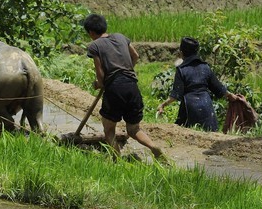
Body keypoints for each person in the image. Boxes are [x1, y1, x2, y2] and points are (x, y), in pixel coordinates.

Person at [81, 13, 166, 162]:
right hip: (132, 86)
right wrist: (127, 70)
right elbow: (136, 56)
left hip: (115, 89)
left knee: (108, 129)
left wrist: (97, 84)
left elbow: (100, 77)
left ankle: (116, 160)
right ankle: (153, 147)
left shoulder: (95, 46)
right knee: (134, 129)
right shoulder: (120, 37)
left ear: (91, 32)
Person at [165, 37, 230, 131]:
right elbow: (219, 88)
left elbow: (175, 95)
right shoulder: (205, 67)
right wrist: (231, 96)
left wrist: (163, 105)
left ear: (181, 53)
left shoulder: (181, 70)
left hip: (190, 107)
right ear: (196, 52)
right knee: (210, 133)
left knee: (185, 134)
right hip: (207, 106)